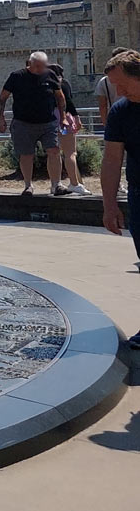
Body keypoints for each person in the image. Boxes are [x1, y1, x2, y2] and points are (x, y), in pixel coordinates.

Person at [100, 49, 140, 348]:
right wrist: (110, 205)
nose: (119, 91)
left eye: (123, 84)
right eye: (114, 86)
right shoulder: (121, 111)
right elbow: (112, 160)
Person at [0, 51, 67, 196]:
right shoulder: (17, 76)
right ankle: (28, 185)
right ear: (30, 64)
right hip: (23, 123)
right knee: (26, 155)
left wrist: (63, 117)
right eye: (38, 66)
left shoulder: (50, 75)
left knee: (54, 150)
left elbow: (60, 97)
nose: (40, 69)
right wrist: (1, 118)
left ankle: (56, 185)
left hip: (48, 122)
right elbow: (3, 98)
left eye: (43, 66)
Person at [48, 62, 90, 195]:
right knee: (70, 152)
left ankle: (55, 184)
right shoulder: (63, 84)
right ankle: (74, 183)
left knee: (53, 153)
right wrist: (77, 117)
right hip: (63, 120)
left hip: (49, 120)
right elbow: (69, 103)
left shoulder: (44, 85)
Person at [97, 45, 128, 130]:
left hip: (114, 117)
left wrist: (105, 124)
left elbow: (102, 105)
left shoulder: (103, 81)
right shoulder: (133, 78)